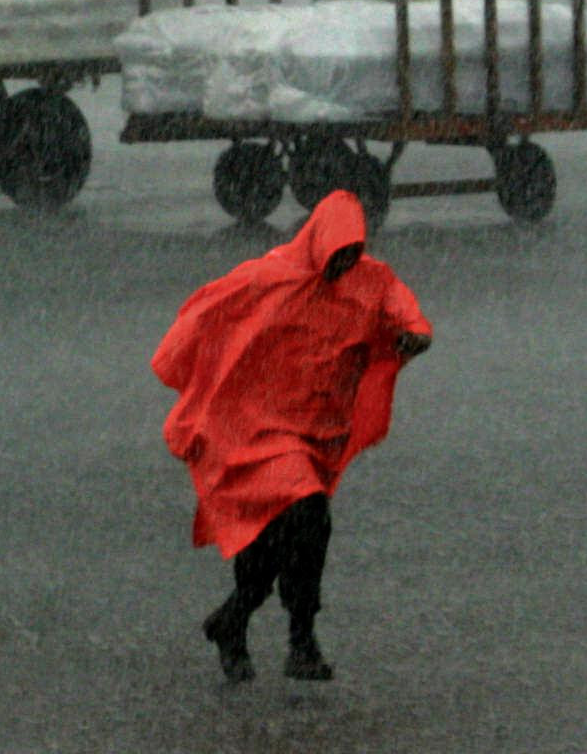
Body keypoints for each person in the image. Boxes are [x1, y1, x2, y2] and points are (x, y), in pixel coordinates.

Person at [151, 190, 432, 684]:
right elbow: (205, 316)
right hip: (256, 432)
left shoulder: (373, 281)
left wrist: (413, 336)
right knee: (308, 517)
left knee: (271, 538)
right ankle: (300, 639)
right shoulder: (269, 278)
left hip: (318, 433)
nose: (343, 263)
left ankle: (236, 618)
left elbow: (407, 317)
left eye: (352, 252)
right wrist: (191, 379)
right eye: (336, 252)